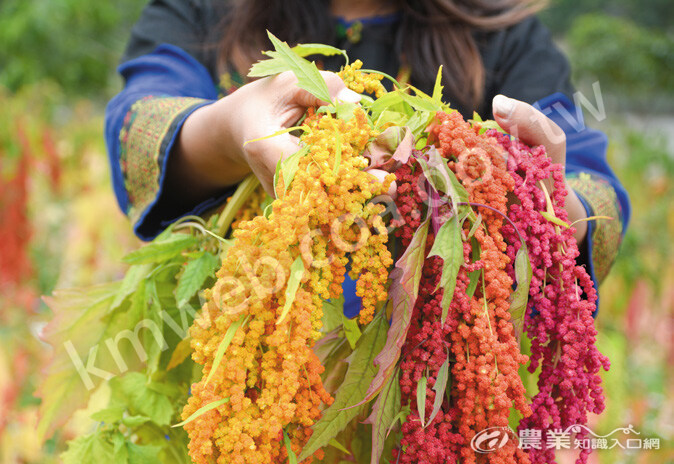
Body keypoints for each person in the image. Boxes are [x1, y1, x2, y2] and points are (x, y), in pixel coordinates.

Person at [105, 0, 630, 316]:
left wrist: (550, 204)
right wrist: (227, 129)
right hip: (247, 368)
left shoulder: (502, 34)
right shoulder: (205, 11)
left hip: (433, 410)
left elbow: (586, 178)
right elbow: (141, 116)